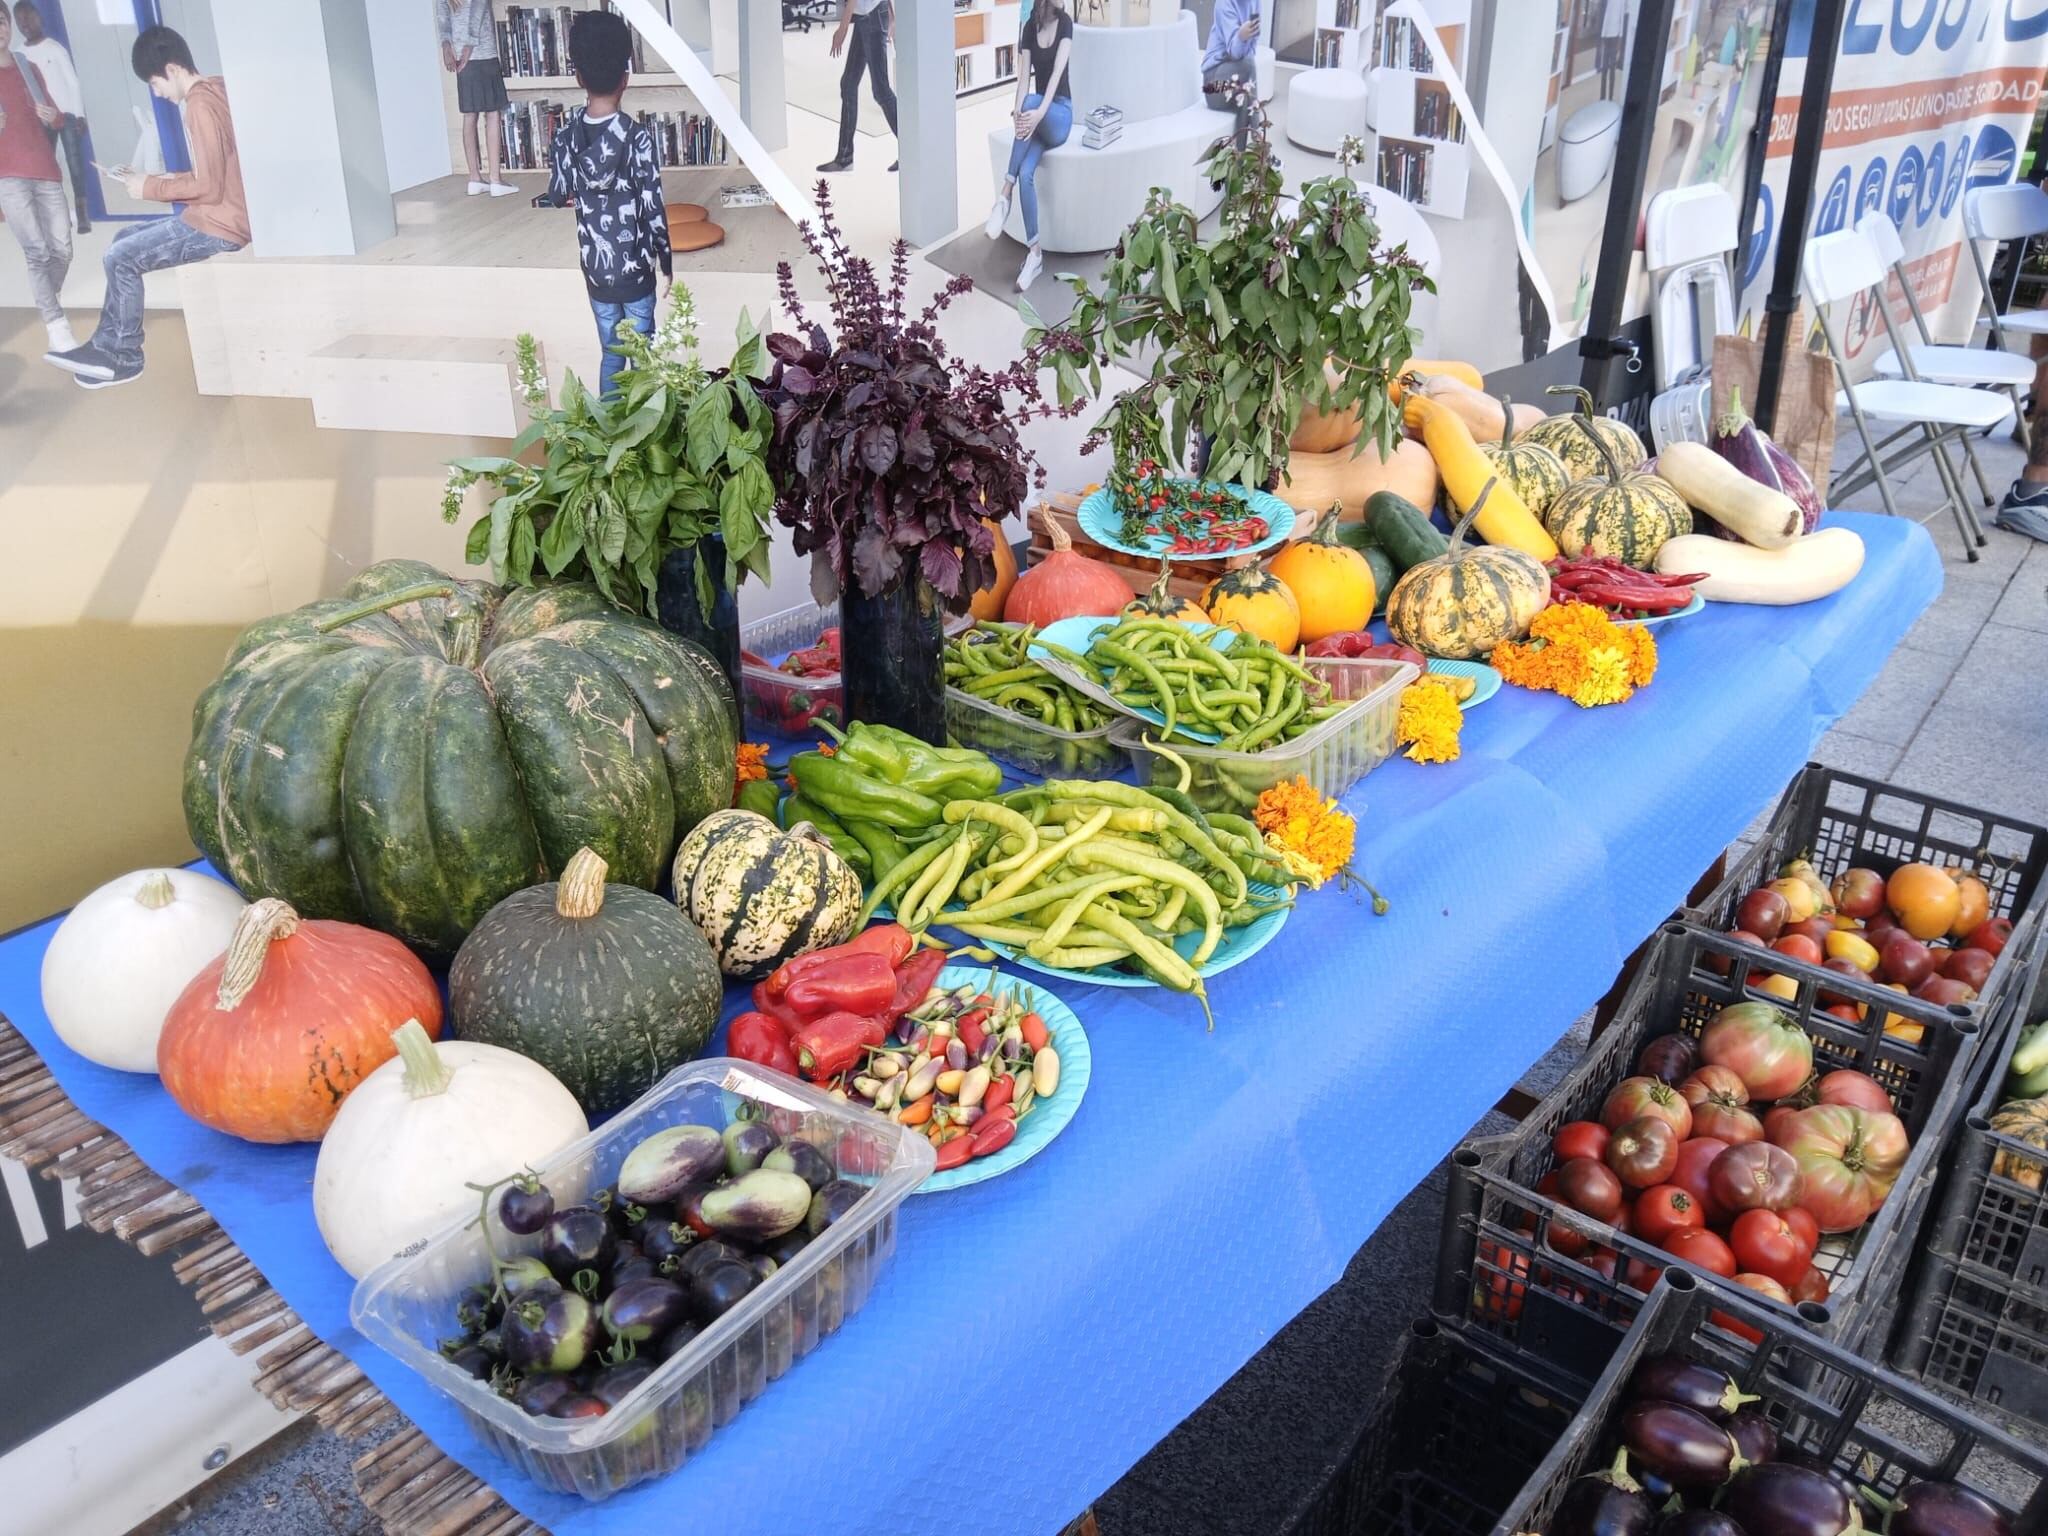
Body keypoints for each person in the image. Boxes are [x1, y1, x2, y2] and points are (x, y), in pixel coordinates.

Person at [43, 26, 248, 389]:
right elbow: (218, 167)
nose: (158, 93)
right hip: (219, 213)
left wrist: (149, 187)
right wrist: (164, 177)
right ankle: (105, 345)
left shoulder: (197, 105)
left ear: (172, 69)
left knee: (121, 257)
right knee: (122, 238)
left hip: (220, 224)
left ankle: (124, 357)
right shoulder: (216, 88)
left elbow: (209, 185)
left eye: (155, 83)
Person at [547, 9, 670, 397]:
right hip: (636, 272)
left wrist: (574, 190)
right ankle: (648, 423)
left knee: (611, 355)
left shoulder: (564, 138)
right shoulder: (637, 138)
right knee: (644, 358)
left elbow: (557, 193)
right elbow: (653, 206)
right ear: (625, 77)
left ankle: (611, 422)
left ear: (579, 77)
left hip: (597, 274)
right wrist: (666, 262)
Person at [984, 0, 1071, 292]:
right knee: (1026, 174)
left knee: (1031, 101)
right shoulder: (1029, 28)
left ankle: (1003, 195)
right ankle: (1035, 254)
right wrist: (1019, 112)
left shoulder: (1065, 23)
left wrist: (1036, 112)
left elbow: (1056, 76)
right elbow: (1023, 80)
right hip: (1036, 119)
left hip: (1059, 114)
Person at [0, 5, 72, 356]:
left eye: (1, 22)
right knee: (37, 252)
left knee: (62, 248)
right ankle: (57, 326)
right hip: (7, 175)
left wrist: (53, 116)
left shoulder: (27, 67)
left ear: (9, 25)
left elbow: (56, 119)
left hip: (45, 169)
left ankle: (46, 297)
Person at [11, 3, 86, 232]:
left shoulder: (54, 48)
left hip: (66, 115)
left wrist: (79, 114)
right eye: (20, 20)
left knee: (75, 165)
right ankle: (57, 215)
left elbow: (72, 82)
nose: (25, 24)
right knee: (48, 168)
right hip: (42, 119)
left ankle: (82, 215)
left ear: (38, 18)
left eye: (29, 18)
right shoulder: (19, 54)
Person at [439, 0, 514, 196]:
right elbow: (479, 6)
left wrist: (446, 45)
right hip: (482, 51)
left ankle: (474, 179)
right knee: (493, 113)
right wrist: (470, 44)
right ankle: (495, 180)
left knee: (469, 115)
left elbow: (443, 17)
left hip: (460, 55)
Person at [817, 0, 896, 175]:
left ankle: (910, 149)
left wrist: (842, 29)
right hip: (867, 14)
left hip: (872, 15)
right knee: (849, 84)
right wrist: (891, 13)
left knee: (881, 90)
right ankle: (844, 157)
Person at [1202, 0, 1260, 153]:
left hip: (1235, 78)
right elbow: (1235, 53)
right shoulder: (1224, 4)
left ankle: (1238, 158)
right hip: (1213, 86)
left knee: (1245, 96)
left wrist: (1247, 39)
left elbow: (1253, 43)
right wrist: (1241, 37)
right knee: (1249, 65)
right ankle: (1259, 136)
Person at [1599, 0, 1628, 100]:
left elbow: (1621, 20)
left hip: (1615, 37)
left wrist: (1620, 38)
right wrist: (1603, 35)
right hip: (1607, 36)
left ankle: (1610, 96)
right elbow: (1606, 17)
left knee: (1612, 69)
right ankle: (1602, 96)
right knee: (1604, 68)